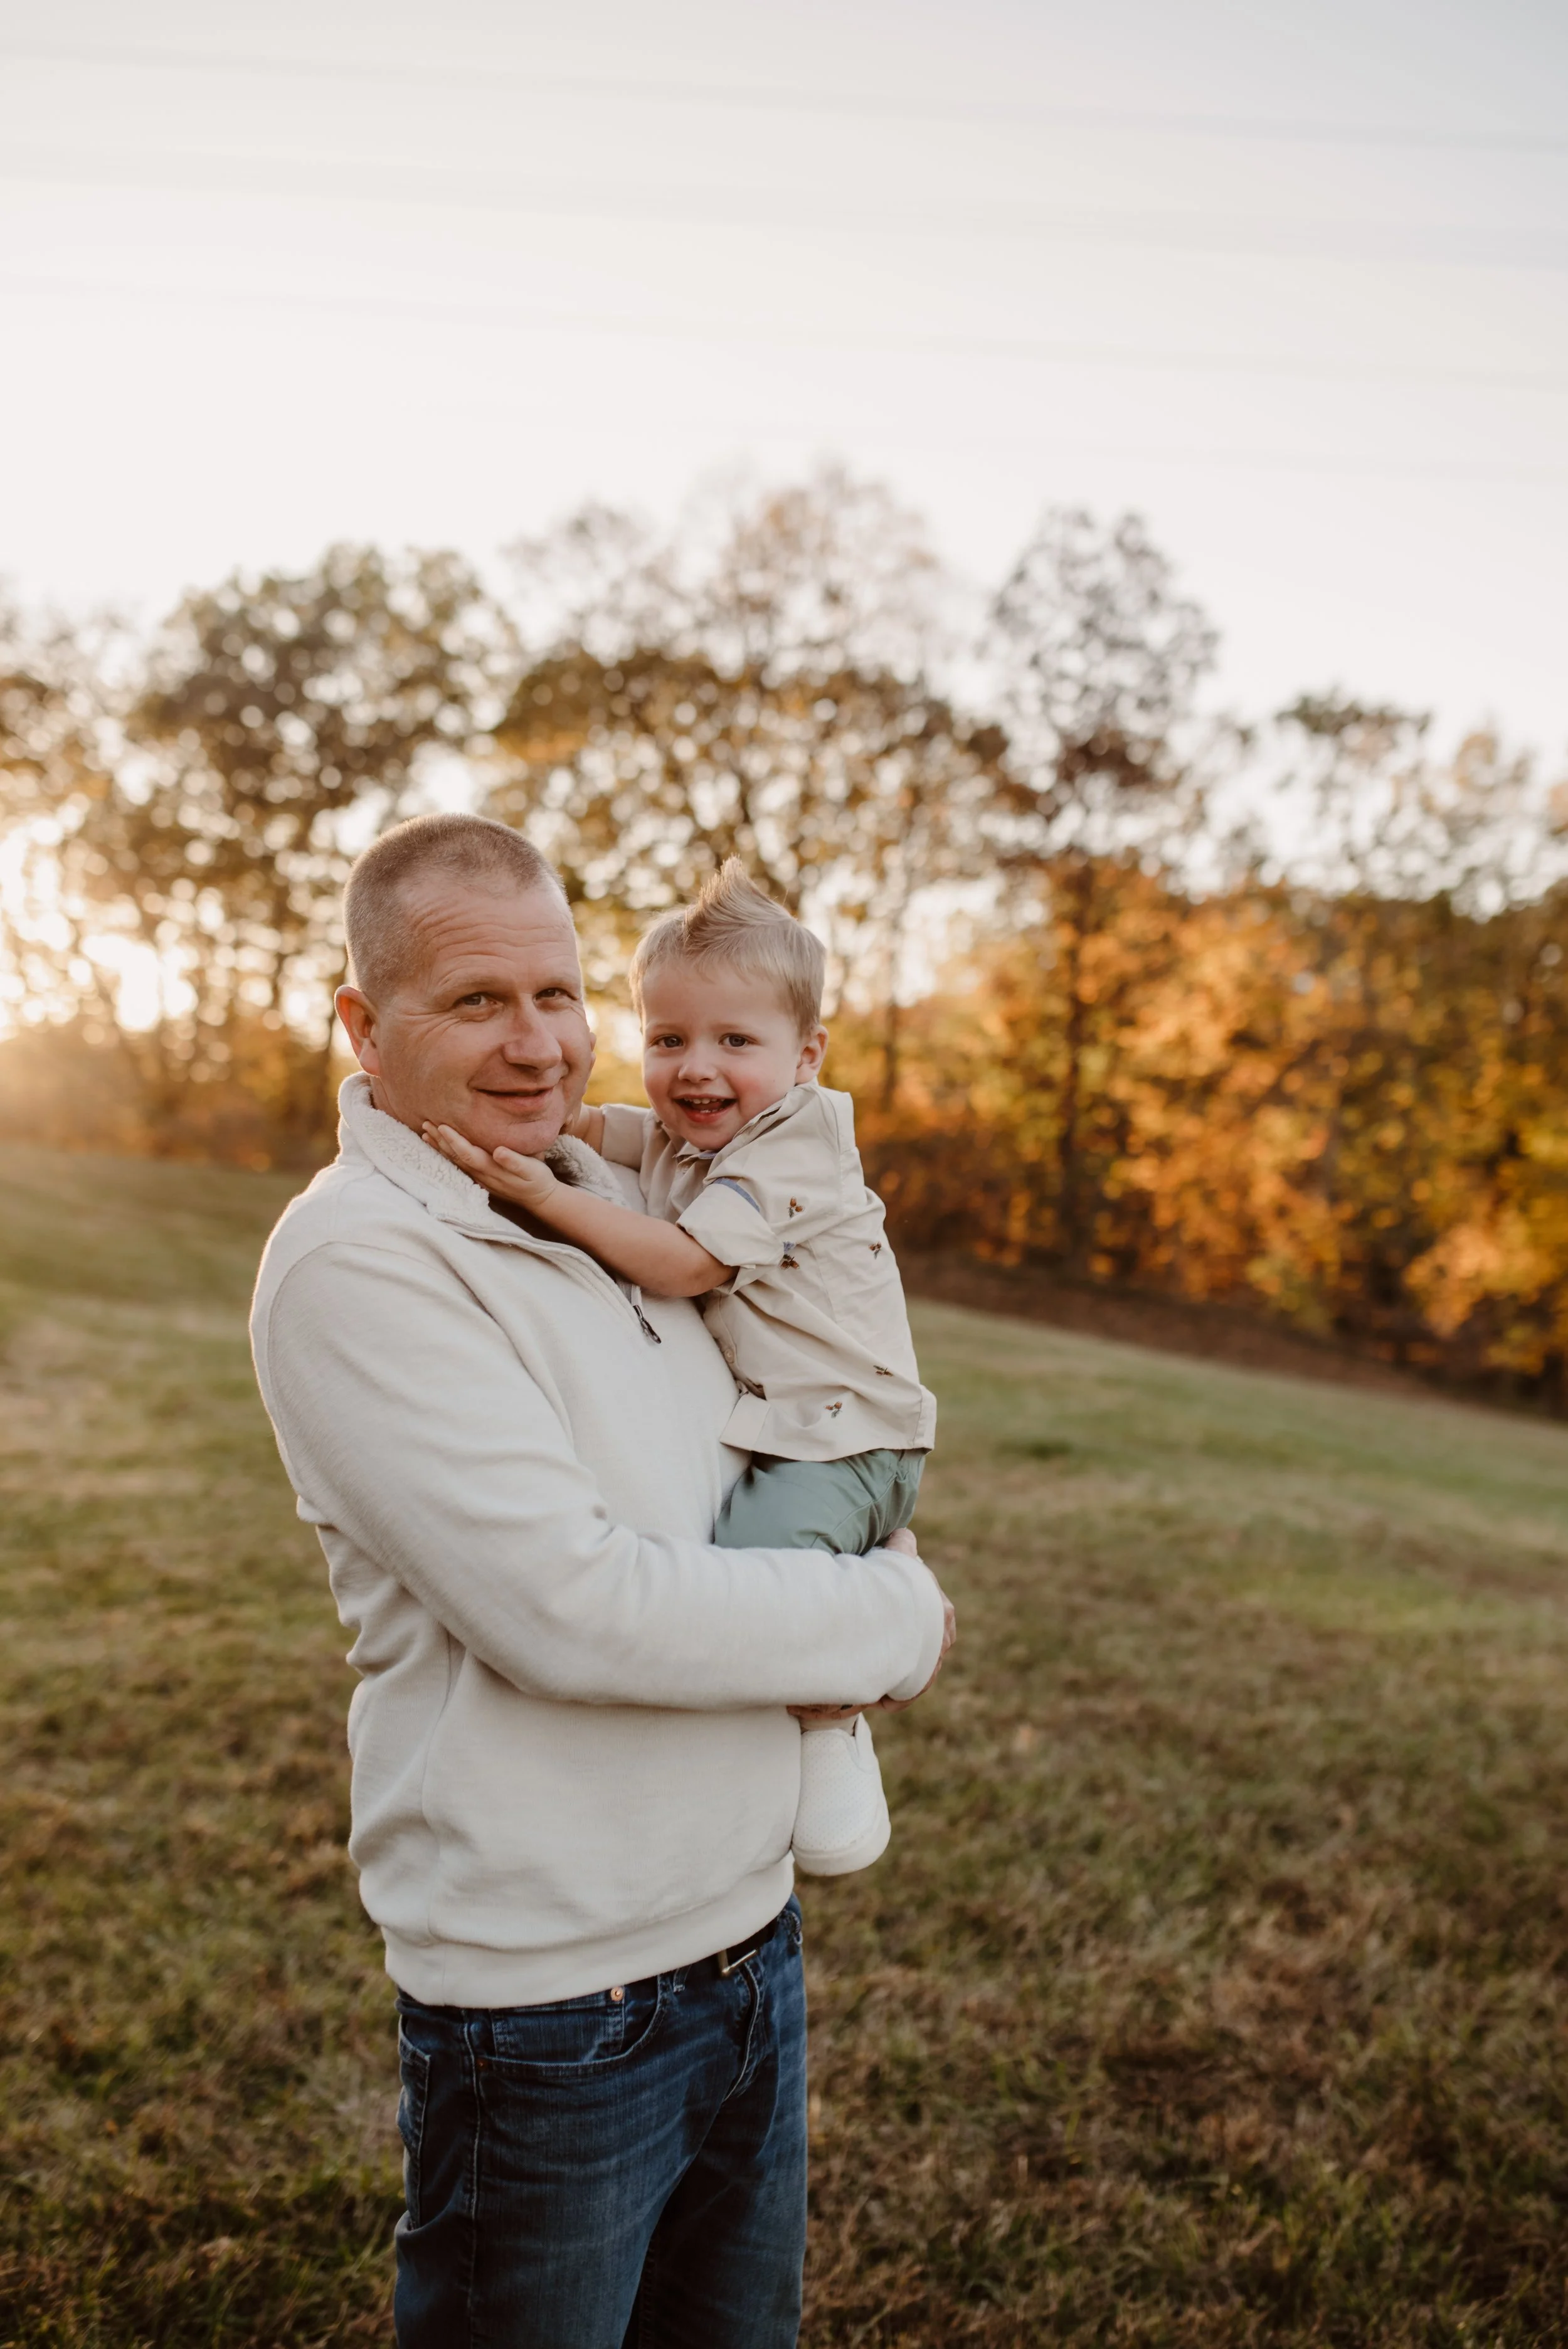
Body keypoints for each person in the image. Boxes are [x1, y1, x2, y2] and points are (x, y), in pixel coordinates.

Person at [248, 813, 954, 2349]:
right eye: (477, 1001)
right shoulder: (361, 1260)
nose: (538, 1044)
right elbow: (574, 1609)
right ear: (364, 1028)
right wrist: (896, 1619)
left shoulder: (618, 1185)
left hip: (748, 1951)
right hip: (558, 2012)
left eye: (560, 995)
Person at [425, 859, 936, 1883]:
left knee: (757, 1589)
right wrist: (554, 1124)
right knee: (754, 1567)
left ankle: (831, 1720)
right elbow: (622, 1132)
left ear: (806, 1057)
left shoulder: (794, 1144)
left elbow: (684, 1262)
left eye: (735, 1041)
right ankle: (875, 1575)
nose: (695, 1069)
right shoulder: (695, 1130)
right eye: (668, 1040)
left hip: (845, 1440)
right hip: (802, 1434)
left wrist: (545, 1193)